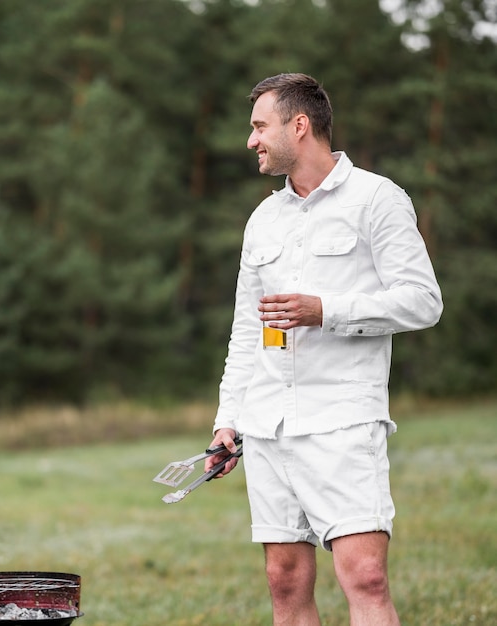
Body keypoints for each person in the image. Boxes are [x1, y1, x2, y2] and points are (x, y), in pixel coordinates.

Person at [205, 73, 443, 626]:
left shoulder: (378, 199)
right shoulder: (263, 220)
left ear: (300, 125)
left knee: (365, 576)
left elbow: (423, 301)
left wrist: (326, 310)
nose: (251, 140)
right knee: (284, 583)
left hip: (342, 423)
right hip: (268, 429)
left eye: (260, 127)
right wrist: (229, 419)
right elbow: (246, 331)